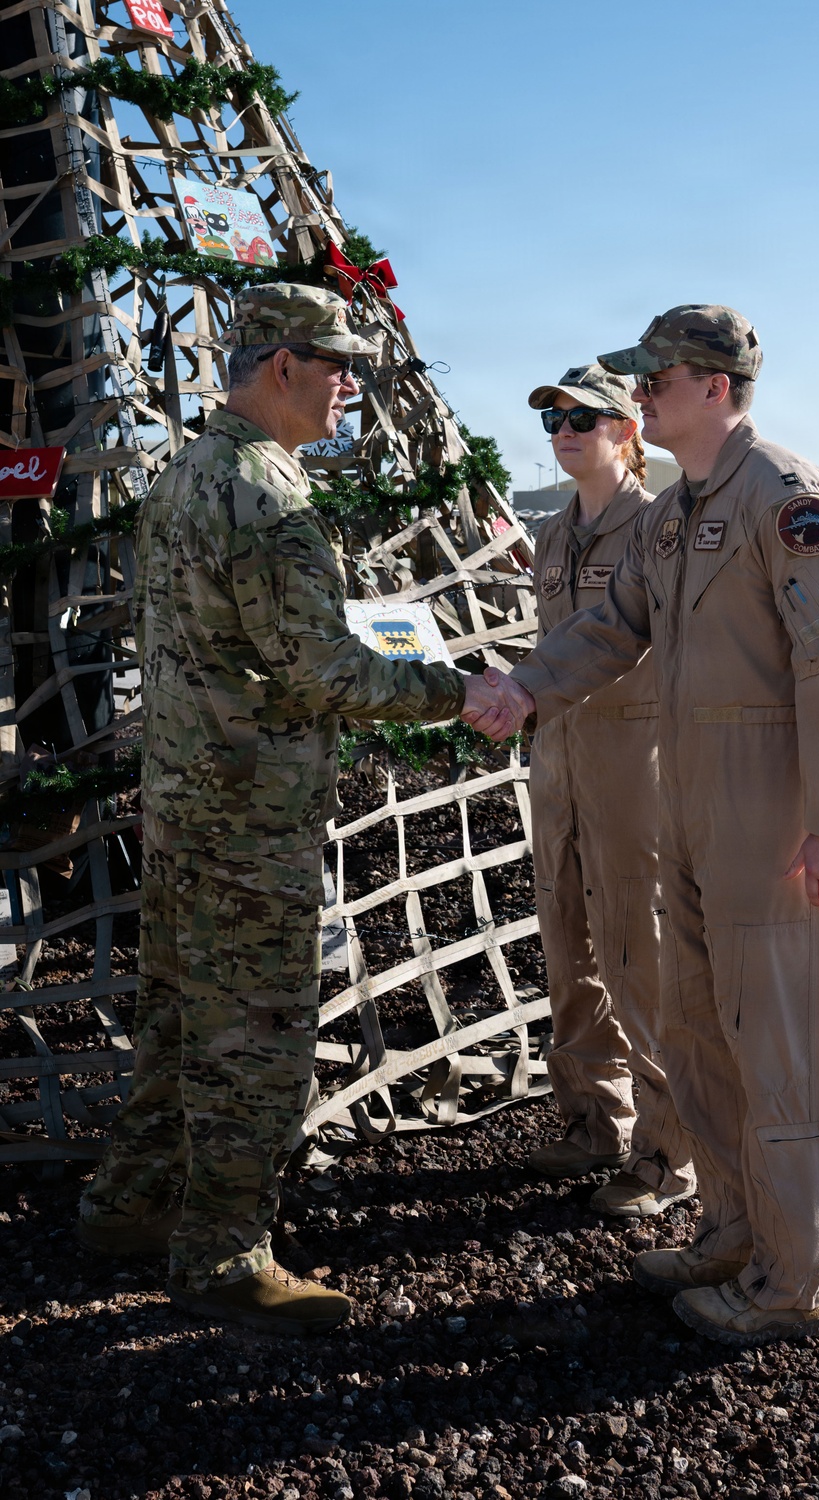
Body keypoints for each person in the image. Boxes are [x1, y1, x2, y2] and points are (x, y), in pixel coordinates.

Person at [78, 283, 513, 1336]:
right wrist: (464, 692)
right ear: (283, 368)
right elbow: (324, 671)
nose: (351, 386)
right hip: (249, 819)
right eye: (337, 366)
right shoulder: (268, 499)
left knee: (180, 1019)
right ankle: (221, 1254)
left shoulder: (187, 472)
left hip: (185, 804)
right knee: (257, 1040)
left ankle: (128, 1205)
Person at [475, 305, 819, 1347]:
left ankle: (794, 1282)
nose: (639, 395)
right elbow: (612, 627)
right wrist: (525, 687)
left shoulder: (788, 502)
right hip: (688, 804)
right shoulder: (675, 515)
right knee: (700, 1034)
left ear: (714, 386)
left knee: (781, 1051)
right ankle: (733, 1231)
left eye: (653, 379)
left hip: (773, 813)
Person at [525, 364, 695, 1218]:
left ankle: (668, 1155)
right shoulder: (552, 537)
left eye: (585, 417)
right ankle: (593, 1118)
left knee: (641, 959)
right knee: (568, 948)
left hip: (634, 769)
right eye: (554, 417)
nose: (565, 429)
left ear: (628, 430)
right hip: (557, 768)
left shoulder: (659, 527)